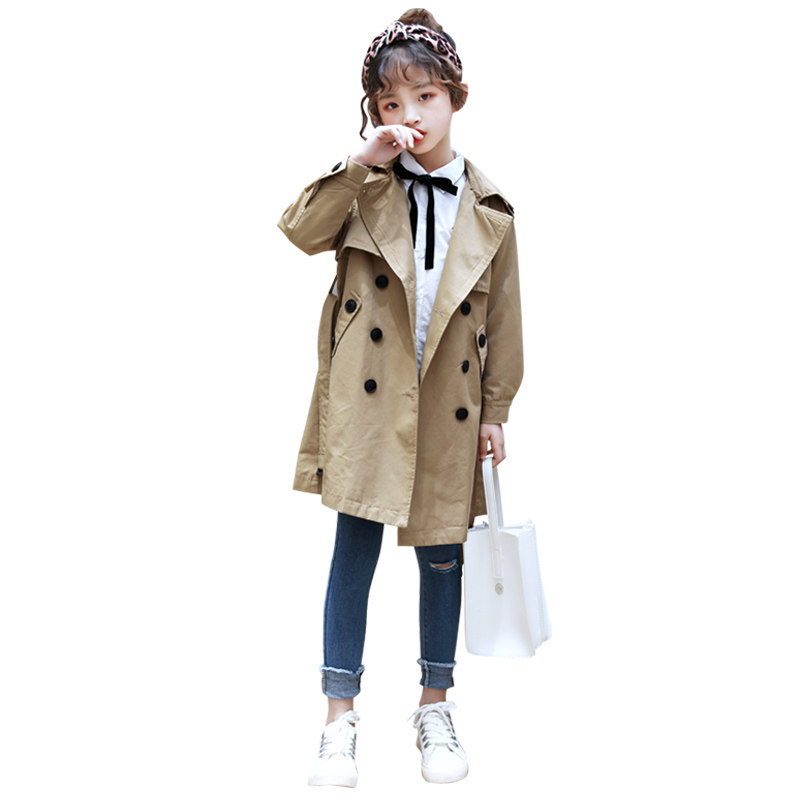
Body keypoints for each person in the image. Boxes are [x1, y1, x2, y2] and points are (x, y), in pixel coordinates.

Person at [277, 8, 523, 787]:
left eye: (424, 96)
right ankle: (338, 719)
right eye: (390, 102)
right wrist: (361, 160)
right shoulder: (364, 187)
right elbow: (298, 231)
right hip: (370, 403)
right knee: (352, 552)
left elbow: (505, 319)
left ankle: (435, 707)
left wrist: (496, 410)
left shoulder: (491, 210)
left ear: (455, 97)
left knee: (443, 558)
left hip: (448, 403)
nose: (408, 114)